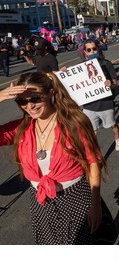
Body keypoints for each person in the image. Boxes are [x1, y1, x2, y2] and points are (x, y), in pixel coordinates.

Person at [0, 72, 106, 244]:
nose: (29, 106)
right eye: (22, 101)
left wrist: (95, 205)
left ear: (51, 94)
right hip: (40, 202)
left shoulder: (74, 123)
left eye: (35, 99)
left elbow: (93, 162)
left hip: (75, 199)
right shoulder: (21, 128)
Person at [82, 39, 119, 151]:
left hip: (106, 104)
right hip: (89, 105)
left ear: (98, 49)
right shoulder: (81, 67)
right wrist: (64, 73)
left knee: (112, 125)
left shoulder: (106, 63)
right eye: (89, 50)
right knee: (92, 130)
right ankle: (94, 152)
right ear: (85, 52)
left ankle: (117, 137)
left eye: (94, 49)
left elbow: (115, 82)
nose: (92, 51)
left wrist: (111, 85)